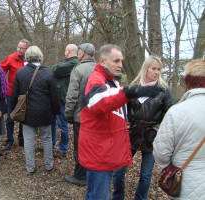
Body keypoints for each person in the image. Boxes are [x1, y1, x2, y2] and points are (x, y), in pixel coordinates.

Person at [78, 44, 161, 199]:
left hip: (105, 150)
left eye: (121, 61)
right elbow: (98, 102)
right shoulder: (96, 79)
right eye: (116, 61)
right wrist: (131, 92)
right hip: (99, 153)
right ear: (102, 61)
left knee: (94, 193)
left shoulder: (112, 81)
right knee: (98, 195)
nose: (120, 65)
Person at [112, 56, 174, 200]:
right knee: (119, 171)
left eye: (159, 69)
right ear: (146, 69)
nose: (157, 72)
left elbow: (170, 114)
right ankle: (117, 197)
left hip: (151, 137)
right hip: (131, 133)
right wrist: (125, 125)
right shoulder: (134, 87)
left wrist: (156, 130)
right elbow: (123, 108)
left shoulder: (164, 90)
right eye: (153, 68)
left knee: (145, 176)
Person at [153, 59, 205, 200]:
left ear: (187, 81)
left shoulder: (176, 112)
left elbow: (161, 152)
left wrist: (169, 168)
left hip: (186, 187)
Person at [11, 46, 60, 173]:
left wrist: (12, 109)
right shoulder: (48, 72)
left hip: (26, 112)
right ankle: (49, 165)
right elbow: (54, 95)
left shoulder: (21, 72)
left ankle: (30, 167)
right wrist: (56, 112)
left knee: (28, 140)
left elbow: (14, 93)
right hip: (45, 112)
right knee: (47, 139)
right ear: (40, 56)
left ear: (27, 56)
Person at [64, 43, 96, 186]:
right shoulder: (100, 68)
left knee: (80, 147)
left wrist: (68, 113)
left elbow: (72, 94)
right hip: (97, 116)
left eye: (79, 52)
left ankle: (79, 176)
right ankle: (93, 174)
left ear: (82, 53)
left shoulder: (78, 69)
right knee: (94, 146)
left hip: (81, 116)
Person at [0, 39, 31, 150]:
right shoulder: (11, 58)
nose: (19, 49)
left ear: (27, 49)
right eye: (18, 47)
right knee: (10, 117)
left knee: (23, 117)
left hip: (24, 94)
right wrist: (4, 85)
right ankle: (9, 140)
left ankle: (22, 139)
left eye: (22, 48)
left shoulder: (30, 59)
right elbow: (0, 70)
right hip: (11, 93)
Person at [51, 44, 79, 158]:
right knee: (53, 123)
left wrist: (55, 68)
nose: (64, 52)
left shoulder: (73, 63)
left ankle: (63, 149)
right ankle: (51, 146)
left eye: (65, 50)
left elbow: (55, 69)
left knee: (62, 124)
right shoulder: (68, 62)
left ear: (68, 51)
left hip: (63, 98)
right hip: (57, 97)